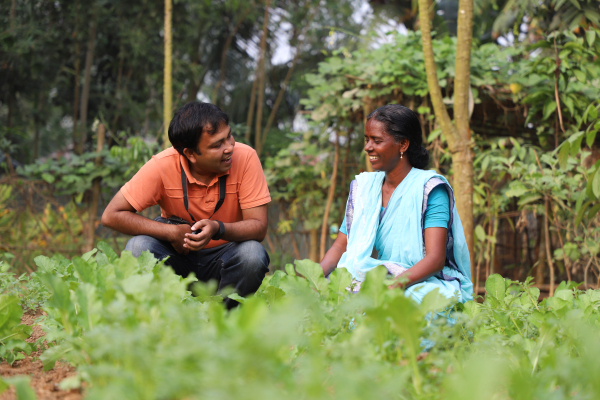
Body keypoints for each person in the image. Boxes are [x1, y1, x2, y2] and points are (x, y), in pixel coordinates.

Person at [101, 102, 271, 308]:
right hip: (179, 256)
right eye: (217, 145)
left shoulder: (245, 157)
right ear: (190, 154)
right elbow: (111, 215)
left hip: (226, 257)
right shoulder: (162, 165)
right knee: (138, 247)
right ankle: (165, 317)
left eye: (229, 136)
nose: (229, 147)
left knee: (252, 254)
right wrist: (170, 232)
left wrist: (218, 228)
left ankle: (224, 319)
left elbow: (259, 227)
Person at [320, 104, 473, 303]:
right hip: (380, 276)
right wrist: (314, 279)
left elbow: (435, 259)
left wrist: (392, 287)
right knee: (331, 293)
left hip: (421, 281)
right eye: (367, 140)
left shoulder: (430, 189)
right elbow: (341, 246)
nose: (368, 147)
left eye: (377, 140)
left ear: (403, 144)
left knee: (408, 304)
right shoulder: (364, 188)